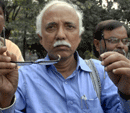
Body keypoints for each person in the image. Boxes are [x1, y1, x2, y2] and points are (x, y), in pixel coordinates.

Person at [0, 0, 130, 112]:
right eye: (51, 27)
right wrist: (5, 99)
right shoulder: (23, 78)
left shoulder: (101, 73)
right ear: (41, 38)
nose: (61, 35)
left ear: (79, 36)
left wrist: (127, 94)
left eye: (69, 27)